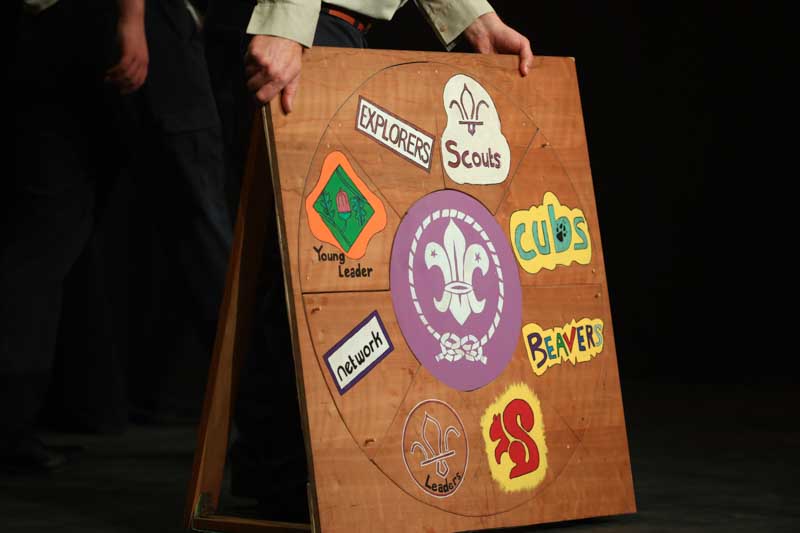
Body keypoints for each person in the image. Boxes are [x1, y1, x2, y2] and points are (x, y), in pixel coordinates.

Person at [216, 0, 534, 523]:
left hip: (336, 34)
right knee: (312, 267)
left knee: (326, 262)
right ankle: (287, 476)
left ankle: (283, 473)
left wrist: (473, 17)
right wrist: (286, 20)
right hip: (301, 31)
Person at [0, 0, 147, 474]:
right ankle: (11, 429)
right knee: (42, 242)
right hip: (60, 32)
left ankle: (20, 424)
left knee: (47, 237)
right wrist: (133, 21)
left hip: (45, 37)